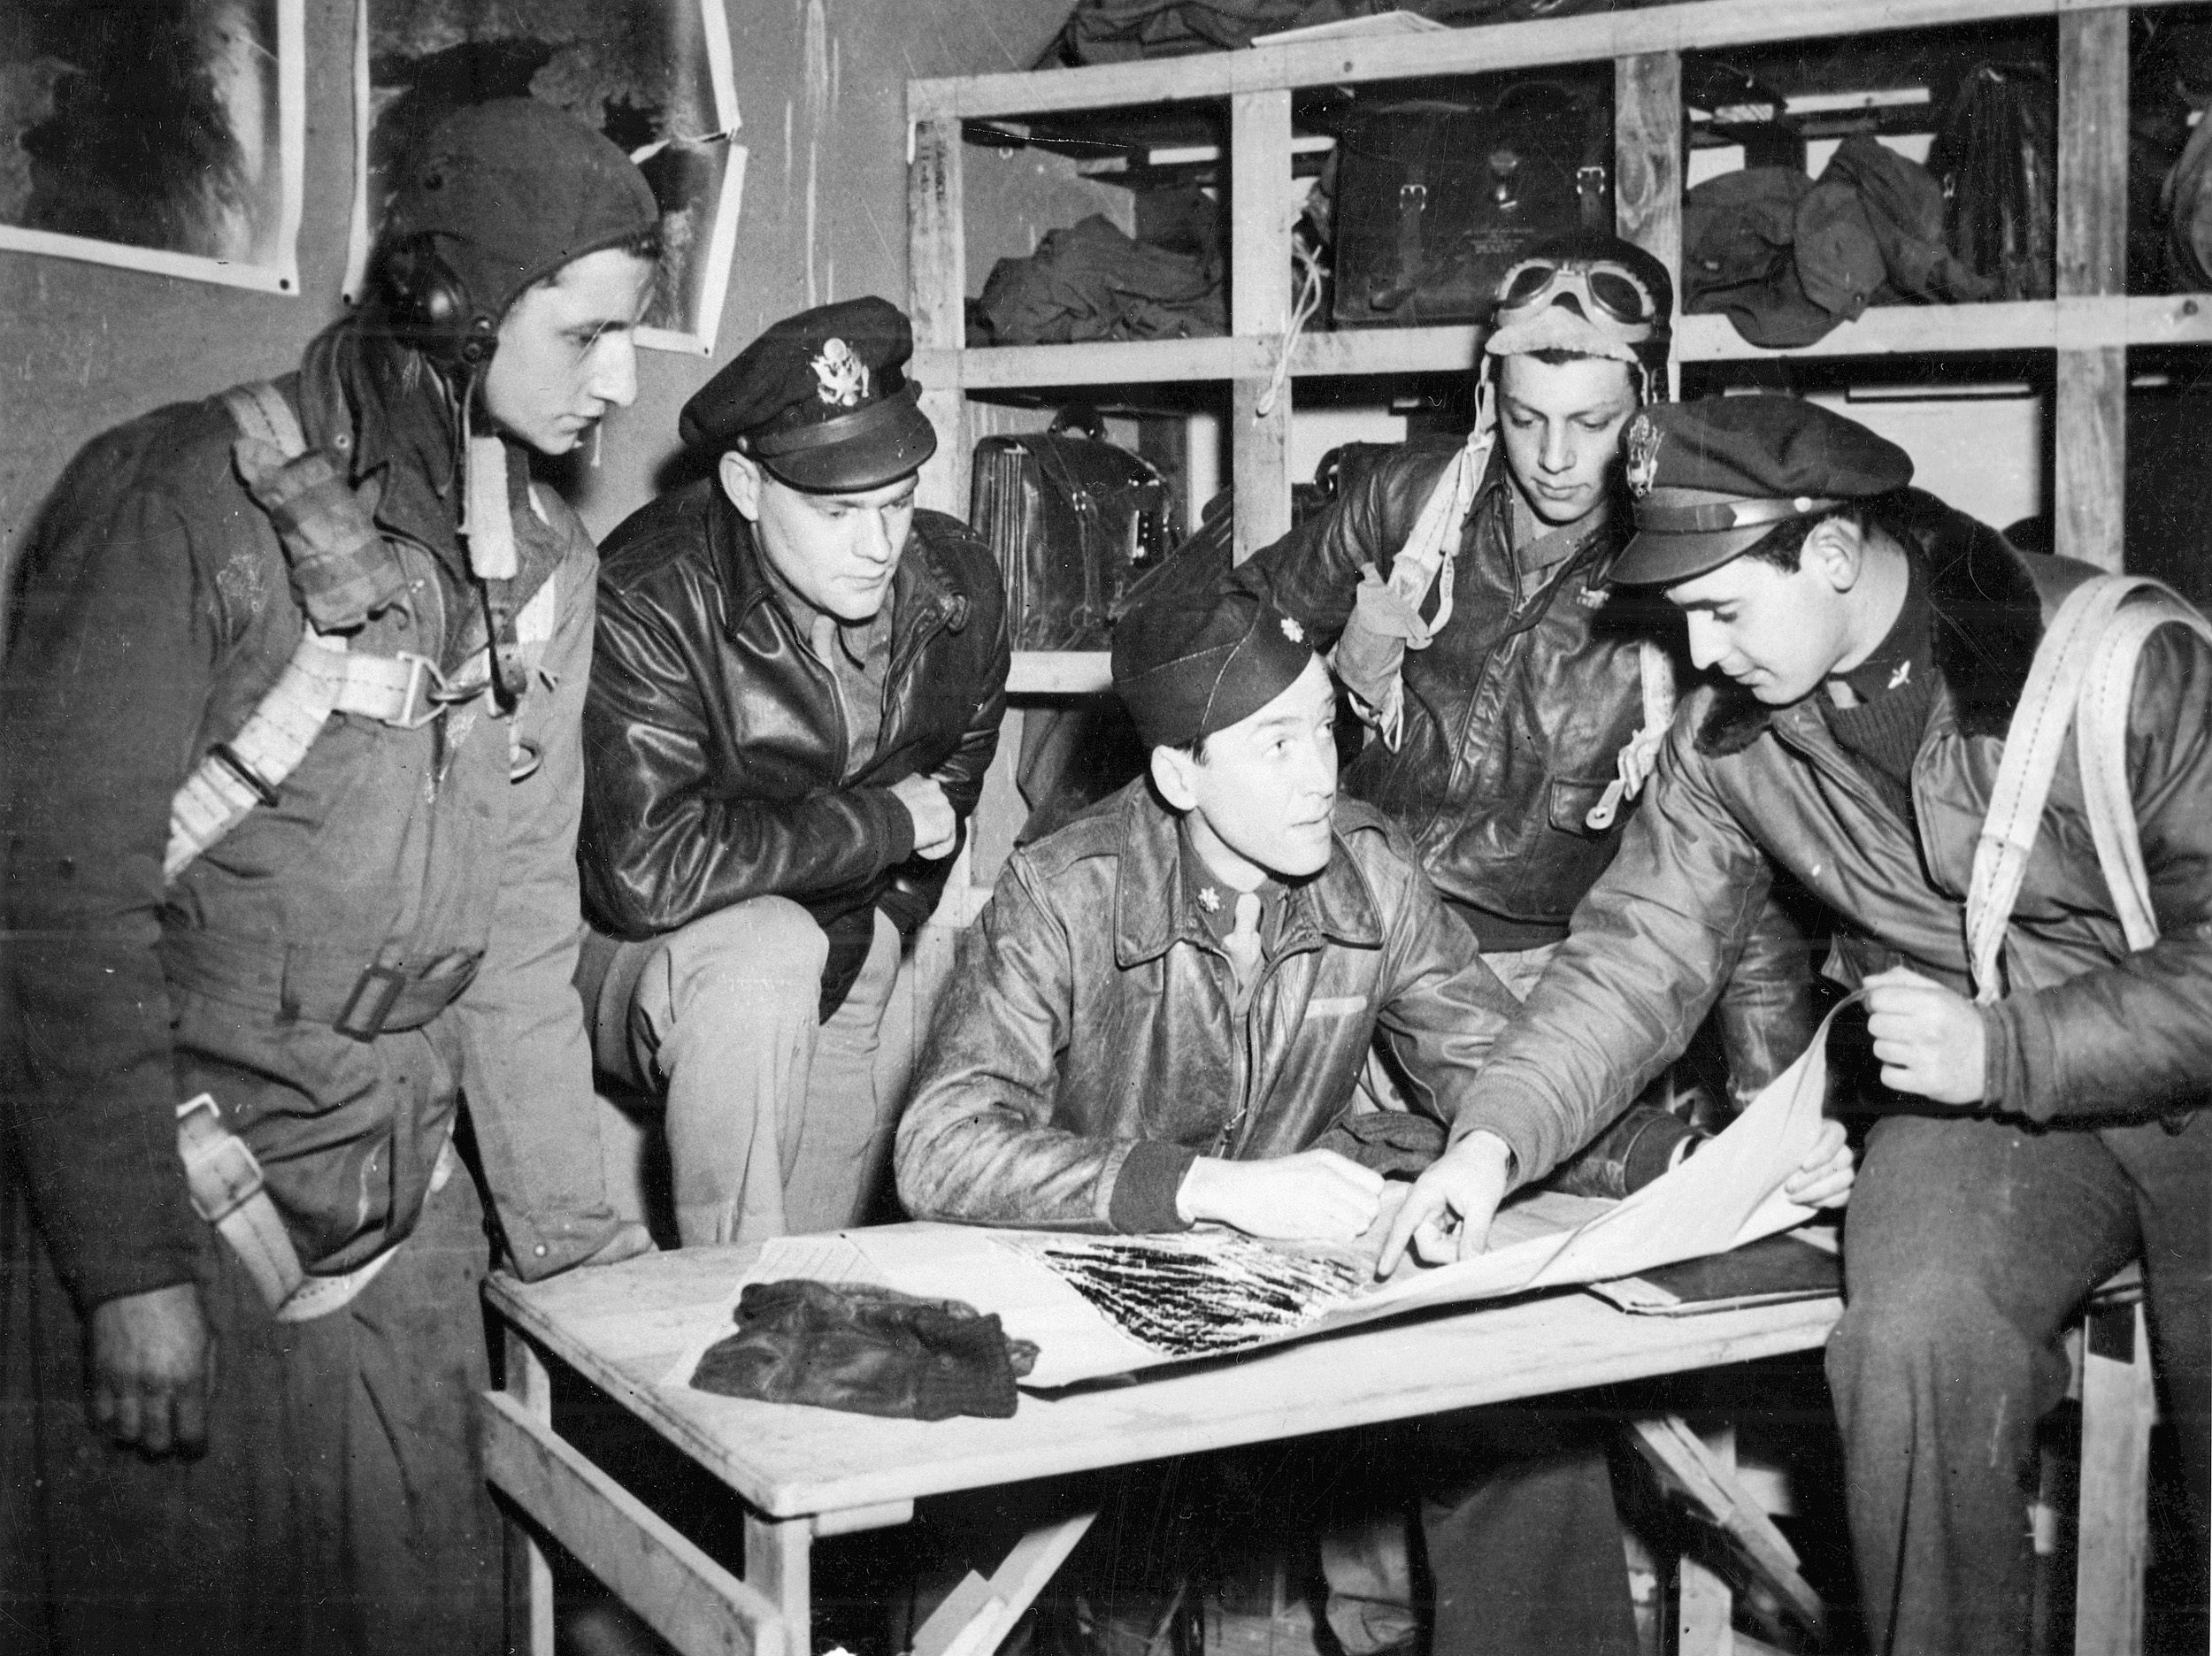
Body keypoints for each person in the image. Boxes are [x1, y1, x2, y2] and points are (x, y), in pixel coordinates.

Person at [1384, 393, 2210, 1656]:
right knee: (1911, 1334)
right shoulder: (1733, 739)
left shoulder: (2116, 663)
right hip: (1991, 1109)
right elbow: (1641, 949)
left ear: (1830, 552)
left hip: (2165, 1084)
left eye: (1722, 608)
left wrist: (2004, 1048)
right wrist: (1492, 1142)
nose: (1703, 657)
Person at [1, 98, 660, 1653]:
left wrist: (582, 1255)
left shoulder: (543, 570)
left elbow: (513, 935)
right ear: (453, 306)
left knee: (447, 1603)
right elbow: (55, 903)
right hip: (181, 1192)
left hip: (401, 1198)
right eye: (587, 334)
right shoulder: (177, 500)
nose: (624, 379)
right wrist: (122, 1271)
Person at [895, 586, 1853, 1656]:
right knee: (1083, 1603)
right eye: (1274, 746)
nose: (1320, 775)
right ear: (1178, 774)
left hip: (1298, 1297)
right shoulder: (1060, 892)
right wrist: (1213, 1191)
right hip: (1097, 1298)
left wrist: (1686, 1160)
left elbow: (1496, 1070)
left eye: (1323, 730)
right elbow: (943, 1145)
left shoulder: (1368, 869)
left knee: (1523, 1429)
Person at [1231, 230, 1817, 1653]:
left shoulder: (1691, 570)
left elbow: (1718, 882)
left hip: (1545, 986)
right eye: (1529, 414)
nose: (1556, 457)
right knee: (1297, 1302)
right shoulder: (1399, 505)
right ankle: (1363, 1628)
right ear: (1490, 393)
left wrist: (1772, 1119)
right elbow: (1215, 649)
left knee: (1479, 1342)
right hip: (1345, 940)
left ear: (1649, 404)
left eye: (1594, 421)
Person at [578, 298, 1010, 1246]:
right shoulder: (648, 591)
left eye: (898, 502)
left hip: (843, 938)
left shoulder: (959, 583)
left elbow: (953, 789)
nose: (878, 545)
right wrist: (880, 828)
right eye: (836, 510)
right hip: (638, 955)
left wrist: (877, 941)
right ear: (743, 484)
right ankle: (720, 1326)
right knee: (765, 954)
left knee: (824, 1272)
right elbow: (644, 872)